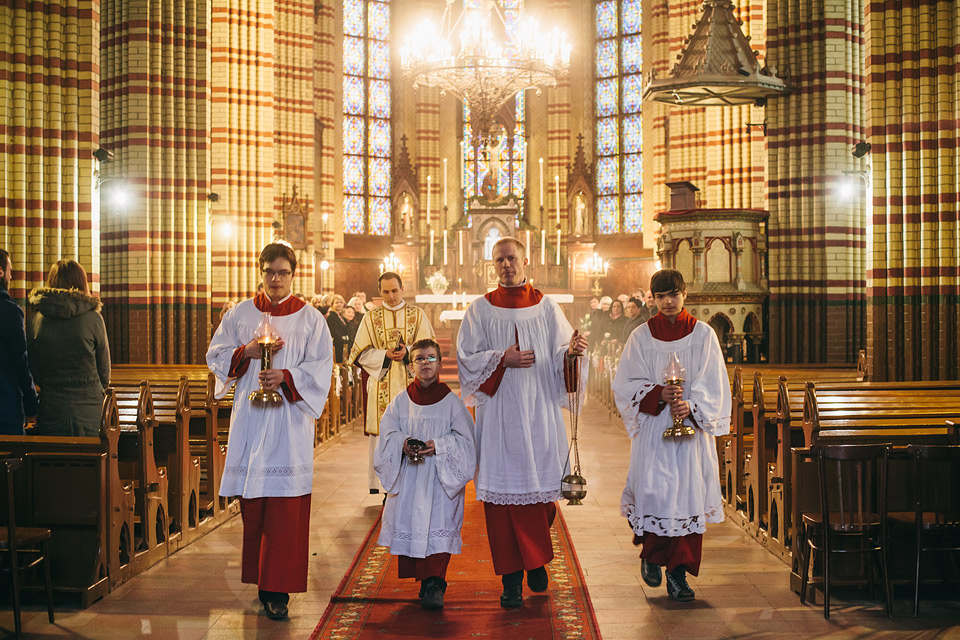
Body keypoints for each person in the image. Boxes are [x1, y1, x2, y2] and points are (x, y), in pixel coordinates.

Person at [457, 237, 587, 608]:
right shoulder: (480, 310)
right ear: (492, 265)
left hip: (539, 412)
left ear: (526, 261)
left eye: (511, 258)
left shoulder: (547, 308)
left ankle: (535, 560)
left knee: (542, 489)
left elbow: (563, 351)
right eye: (499, 261)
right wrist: (502, 359)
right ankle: (511, 580)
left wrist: (573, 353)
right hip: (499, 416)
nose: (505, 266)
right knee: (501, 502)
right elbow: (466, 359)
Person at [206, 242, 333, 620]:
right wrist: (244, 352)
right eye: (269, 272)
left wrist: (286, 376)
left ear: (294, 274)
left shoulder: (311, 319)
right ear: (260, 272)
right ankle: (263, 580)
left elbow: (322, 368)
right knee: (255, 504)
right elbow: (215, 355)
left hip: (289, 424)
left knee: (285, 508)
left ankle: (278, 589)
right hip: (250, 419)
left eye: (282, 272)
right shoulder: (240, 314)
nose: (275, 279)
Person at [611, 269, 730, 603]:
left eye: (673, 294)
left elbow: (715, 384)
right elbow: (624, 384)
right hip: (654, 430)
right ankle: (651, 553)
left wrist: (690, 404)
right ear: (653, 299)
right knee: (655, 493)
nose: (667, 302)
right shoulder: (640, 337)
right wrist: (656, 395)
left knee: (686, 497)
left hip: (689, 431)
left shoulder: (704, 336)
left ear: (685, 294)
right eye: (660, 296)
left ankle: (678, 575)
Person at [374, 339, 476, 610]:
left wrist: (439, 446)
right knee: (415, 526)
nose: (426, 363)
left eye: (431, 358)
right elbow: (388, 434)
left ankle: (435, 583)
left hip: (440, 479)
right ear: (410, 366)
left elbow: (467, 442)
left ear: (440, 364)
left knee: (438, 526)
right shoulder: (400, 401)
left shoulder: (453, 403)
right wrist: (403, 443)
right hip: (411, 476)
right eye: (420, 359)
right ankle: (425, 581)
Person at [350, 272, 434, 494]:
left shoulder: (417, 315)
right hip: (382, 384)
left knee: (412, 429)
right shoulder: (370, 317)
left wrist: (408, 354)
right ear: (379, 292)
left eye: (394, 290)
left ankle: (414, 479)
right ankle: (383, 483)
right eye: (386, 291)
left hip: (411, 383)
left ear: (402, 289)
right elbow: (358, 353)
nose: (391, 296)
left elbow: (430, 350)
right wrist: (384, 355)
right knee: (384, 433)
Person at [27, 260, 111, 437]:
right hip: (90, 411)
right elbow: (104, 371)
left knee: (52, 461)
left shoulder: (37, 320)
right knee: (93, 461)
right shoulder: (93, 319)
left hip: (51, 408)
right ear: (81, 282)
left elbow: (34, 368)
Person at [0, 249, 37, 435]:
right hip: (4, 403)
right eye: (10, 270)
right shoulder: (10, 311)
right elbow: (20, 362)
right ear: (0, 272)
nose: (11, 276)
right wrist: (32, 406)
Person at [326, 294, 350, 363]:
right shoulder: (331, 317)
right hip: (337, 346)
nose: (339, 304)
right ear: (332, 304)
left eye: (341, 302)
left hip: (343, 345)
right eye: (337, 302)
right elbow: (335, 334)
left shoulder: (340, 316)